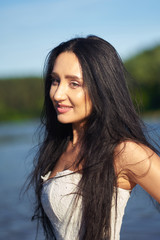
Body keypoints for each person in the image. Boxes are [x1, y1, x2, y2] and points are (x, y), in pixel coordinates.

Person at [29, 35, 160, 240]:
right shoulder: (61, 147)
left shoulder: (124, 152)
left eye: (74, 83)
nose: (57, 94)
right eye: (55, 80)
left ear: (102, 87)